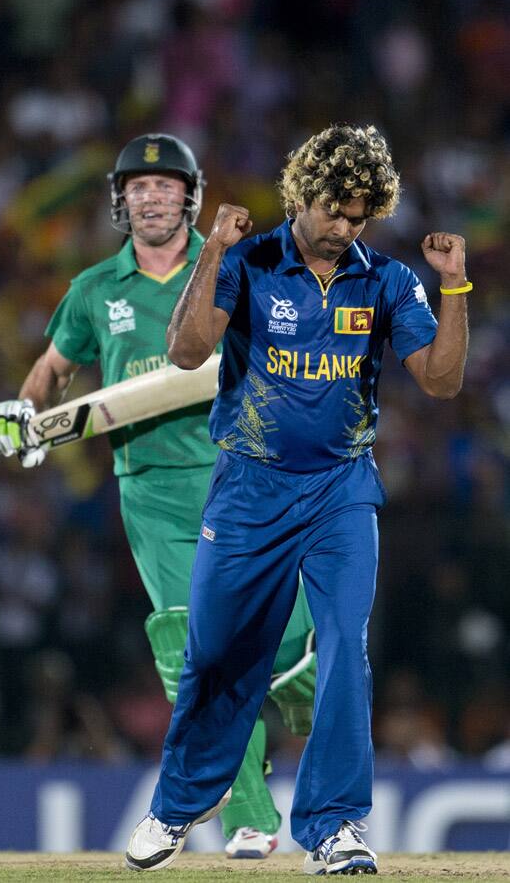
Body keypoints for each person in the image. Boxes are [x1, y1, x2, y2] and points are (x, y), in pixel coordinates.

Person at [125, 124, 471, 875]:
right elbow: (187, 351)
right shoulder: (249, 261)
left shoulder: (385, 279)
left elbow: (440, 381)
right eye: (335, 212)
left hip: (341, 489)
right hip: (249, 488)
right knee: (219, 654)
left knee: (346, 643)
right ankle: (178, 805)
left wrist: (453, 286)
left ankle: (335, 826)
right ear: (301, 196)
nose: (346, 229)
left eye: (361, 217)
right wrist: (212, 248)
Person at [0, 133, 316, 858]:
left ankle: (296, 681)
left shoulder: (236, 266)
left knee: (289, 646)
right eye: (138, 188)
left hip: (245, 474)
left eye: (165, 187)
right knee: (192, 640)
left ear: (189, 197)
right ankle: (248, 811)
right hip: (152, 491)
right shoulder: (96, 288)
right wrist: (21, 412)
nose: (152, 198)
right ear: (120, 201)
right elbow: (52, 370)